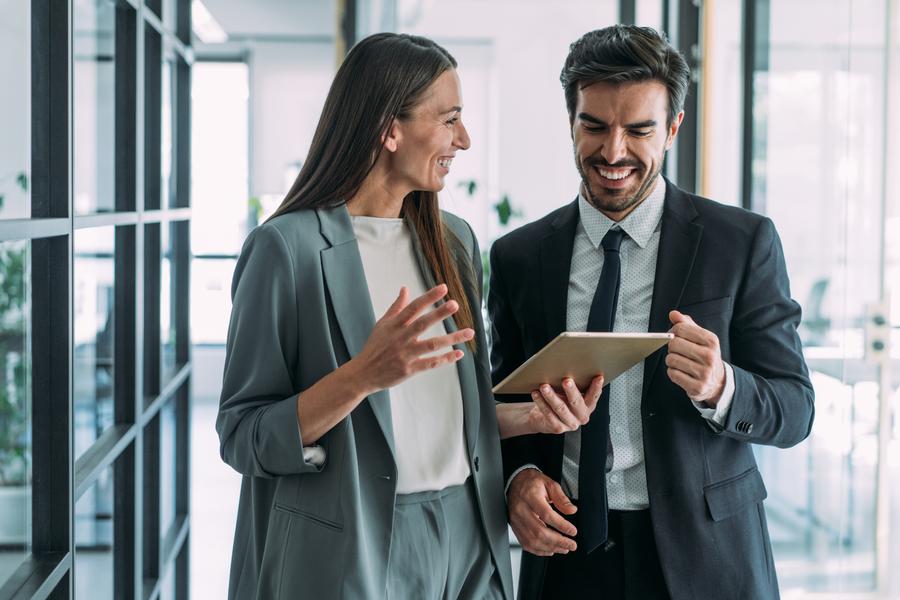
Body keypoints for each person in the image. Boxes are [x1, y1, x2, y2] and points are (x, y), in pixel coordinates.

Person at [216, 32, 604, 600]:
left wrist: (532, 419)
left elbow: (441, 413)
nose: (464, 139)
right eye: (449, 119)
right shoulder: (286, 250)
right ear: (389, 129)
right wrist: (363, 375)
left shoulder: (453, 241)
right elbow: (242, 436)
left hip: (468, 536)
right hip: (355, 546)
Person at [489, 25, 815, 600]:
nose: (613, 152)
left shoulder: (740, 243)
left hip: (707, 560)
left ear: (672, 129)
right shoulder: (517, 257)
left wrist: (722, 387)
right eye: (594, 127)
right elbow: (503, 404)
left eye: (638, 130)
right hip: (567, 559)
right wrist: (518, 479)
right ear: (571, 122)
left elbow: (795, 407)